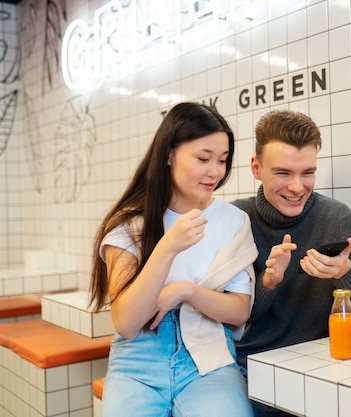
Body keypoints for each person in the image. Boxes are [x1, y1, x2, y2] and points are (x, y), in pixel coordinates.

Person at [89, 102, 256, 417]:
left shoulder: (233, 221)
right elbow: (126, 323)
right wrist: (167, 247)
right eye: (203, 158)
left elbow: (238, 311)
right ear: (169, 155)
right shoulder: (130, 224)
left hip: (208, 356)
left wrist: (185, 290)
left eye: (222, 160)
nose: (215, 172)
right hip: (138, 360)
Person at [231, 109, 351, 415]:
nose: (296, 187)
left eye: (307, 173)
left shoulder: (335, 217)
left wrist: (347, 274)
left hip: (319, 368)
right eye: (282, 173)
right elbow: (228, 319)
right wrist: (267, 283)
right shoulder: (236, 220)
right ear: (256, 168)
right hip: (247, 368)